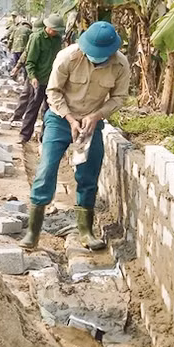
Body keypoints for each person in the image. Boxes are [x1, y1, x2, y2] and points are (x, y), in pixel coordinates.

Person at [19, 21, 130, 251]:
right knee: (46, 170)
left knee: (88, 175)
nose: (96, 59)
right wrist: (69, 118)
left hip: (91, 123)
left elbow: (119, 97)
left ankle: (86, 231)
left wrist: (96, 116)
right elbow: (53, 91)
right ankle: (33, 232)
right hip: (60, 119)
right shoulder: (67, 57)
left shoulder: (120, 64)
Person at [14, 14, 65, 145]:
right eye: (53, 30)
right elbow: (30, 61)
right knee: (33, 108)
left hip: (52, 81)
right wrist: (32, 77)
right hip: (37, 79)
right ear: (47, 27)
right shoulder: (37, 38)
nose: (55, 32)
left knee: (50, 111)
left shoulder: (58, 40)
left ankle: (45, 138)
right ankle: (24, 135)